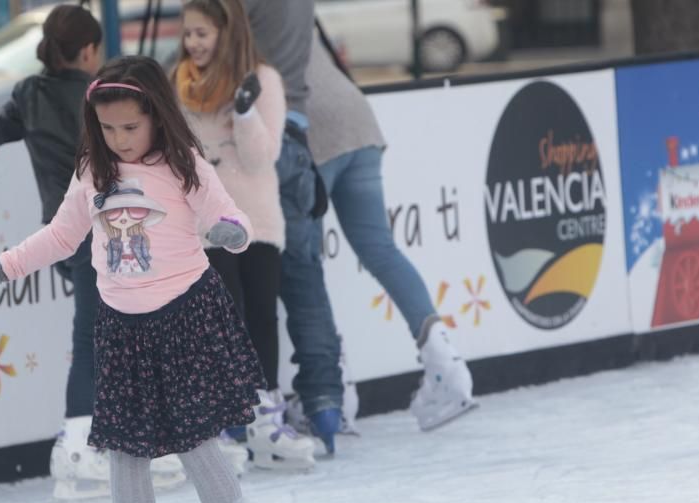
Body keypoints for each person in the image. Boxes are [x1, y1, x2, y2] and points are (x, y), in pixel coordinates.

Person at [0, 56, 270, 503]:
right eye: (108, 128)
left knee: (195, 439)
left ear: (156, 116)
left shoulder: (182, 165)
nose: (119, 139)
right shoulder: (92, 174)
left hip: (183, 315)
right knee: (125, 448)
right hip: (121, 325)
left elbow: (229, 215)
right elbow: (59, 236)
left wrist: (231, 233)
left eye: (130, 127)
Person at [0, 5, 184, 499]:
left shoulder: (29, 94)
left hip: (71, 237)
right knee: (101, 336)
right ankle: (81, 445)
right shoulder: (100, 98)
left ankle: (117, 441)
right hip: (108, 230)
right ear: (87, 51)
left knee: (113, 335)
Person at [306, 33, 476, 430]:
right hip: (359, 122)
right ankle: (446, 366)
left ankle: (334, 390)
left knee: (304, 265)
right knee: (380, 248)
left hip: (313, 133)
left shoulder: (236, 19)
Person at [173, 0, 316, 472]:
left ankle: (264, 418)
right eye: (189, 33)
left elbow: (261, 159)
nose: (193, 43)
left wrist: (245, 111)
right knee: (220, 322)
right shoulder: (179, 85)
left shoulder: (263, 80)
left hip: (255, 218)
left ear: (226, 32)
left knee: (261, 315)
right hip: (208, 223)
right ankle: (222, 424)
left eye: (202, 33)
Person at [243, 0, 344, 455]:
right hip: (295, 137)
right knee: (304, 280)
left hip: (252, 143)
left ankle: (248, 412)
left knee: (242, 285)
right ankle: (324, 401)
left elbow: (211, 46)